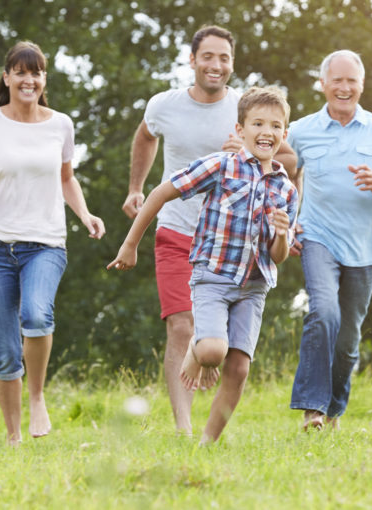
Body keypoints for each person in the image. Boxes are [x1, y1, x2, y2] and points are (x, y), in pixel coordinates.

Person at [121, 25, 296, 435]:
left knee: (230, 358)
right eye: (208, 57)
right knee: (182, 327)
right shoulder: (164, 105)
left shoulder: (249, 107)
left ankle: (207, 435)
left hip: (244, 256)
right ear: (193, 59)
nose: (216, 65)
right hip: (182, 233)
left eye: (224, 58)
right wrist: (135, 188)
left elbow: (286, 156)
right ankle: (183, 425)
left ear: (232, 63)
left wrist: (286, 226)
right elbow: (145, 138)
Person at [0, 41, 105, 445]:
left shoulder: (61, 125)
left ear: (43, 79)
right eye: (20, 72)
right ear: (6, 78)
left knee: (36, 317)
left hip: (45, 244)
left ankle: (37, 397)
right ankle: (14, 437)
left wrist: (85, 215)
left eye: (35, 72)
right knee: (3, 350)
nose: (28, 79)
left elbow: (66, 178)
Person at [288, 50, 372, 431]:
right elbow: (283, 176)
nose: (344, 88)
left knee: (347, 340)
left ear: (362, 85)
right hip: (317, 236)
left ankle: (333, 411)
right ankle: (312, 409)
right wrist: (289, 224)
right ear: (323, 84)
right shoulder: (301, 130)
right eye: (336, 81)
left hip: (364, 247)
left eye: (351, 81)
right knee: (323, 312)